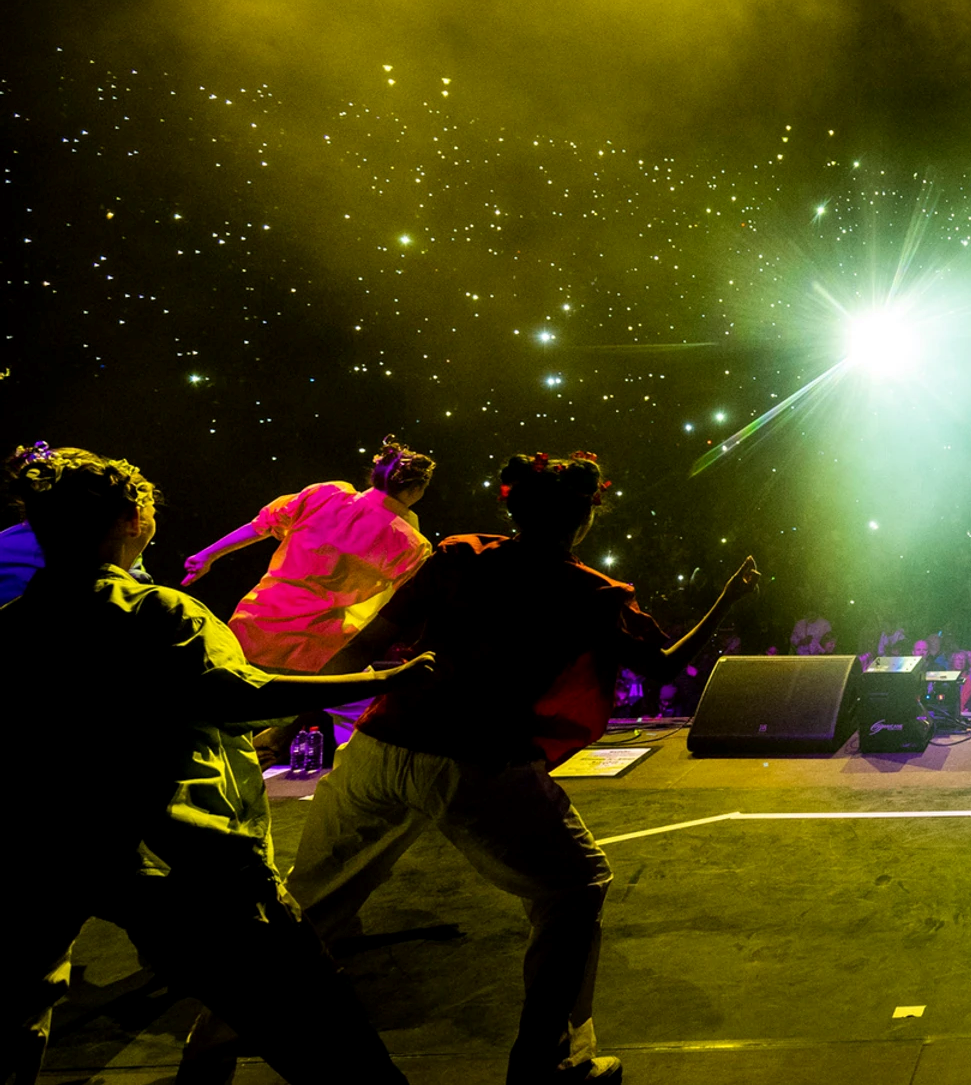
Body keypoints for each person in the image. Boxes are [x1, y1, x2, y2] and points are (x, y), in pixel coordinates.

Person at [275, 451, 758, 1085]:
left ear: (514, 507)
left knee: (302, 908)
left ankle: (216, 1045)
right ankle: (545, 1064)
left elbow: (366, 644)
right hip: (475, 762)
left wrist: (292, 707)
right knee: (576, 887)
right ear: (584, 518)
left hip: (378, 746)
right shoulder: (590, 593)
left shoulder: (459, 555)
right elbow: (664, 667)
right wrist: (725, 600)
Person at [4, 443, 432, 1084]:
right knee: (316, 1026)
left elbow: (261, 529)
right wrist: (387, 676)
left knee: (17, 1011)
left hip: (47, 847)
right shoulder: (156, 612)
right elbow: (243, 696)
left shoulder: (13, 624)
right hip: (178, 854)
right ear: (132, 522)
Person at [185, 437, 437, 747]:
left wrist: (208, 555)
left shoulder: (326, 495)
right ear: (415, 490)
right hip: (321, 652)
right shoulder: (410, 543)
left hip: (253, 629)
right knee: (364, 724)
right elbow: (408, 605)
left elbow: (261, 524)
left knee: (225, 728)